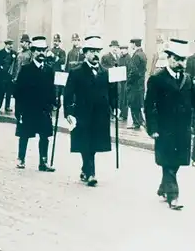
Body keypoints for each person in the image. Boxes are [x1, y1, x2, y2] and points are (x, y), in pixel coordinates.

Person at [144, 38, 195, 210]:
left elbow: (192, 101)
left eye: (182, 60)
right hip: (164, 128)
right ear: (168, 58)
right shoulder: (157, 79)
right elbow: (149, 106)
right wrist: (152, 128)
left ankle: (163, 188)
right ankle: (173, 195)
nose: (179, 63)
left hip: (183, 129)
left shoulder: (188, 79)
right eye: (176, 59)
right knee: (167, 161)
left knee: (176, 162)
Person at [64, 36, 117, 187]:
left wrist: (115, 106)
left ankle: (85, 168)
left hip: (100, 114)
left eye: (97, 51)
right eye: (92, 51)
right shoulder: (77, 72)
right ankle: (91, 173)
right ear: (85, 53)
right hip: (82, 113)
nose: (95, 55)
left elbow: (112, 92)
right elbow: (68, 93)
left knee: (93, 143)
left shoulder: (105, 72)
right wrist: (68, 111)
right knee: (85, 143)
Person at [13, 36, 57, 172]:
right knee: (24, 134)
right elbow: (18, 92)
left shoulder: (49, 70)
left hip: (44, 110)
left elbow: (51, 89)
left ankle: (43, 162)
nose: (41, 53)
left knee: (45, 136)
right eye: (38, 50)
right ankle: (21, 159)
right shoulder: (26, 69)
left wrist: (54, 102)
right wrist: (18, 110)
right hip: (28, 109)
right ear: (33, 52)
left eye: (43, 50)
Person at [126, 38, 147, 130]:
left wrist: (129, 80)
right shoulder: (143, 54)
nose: (130, 45)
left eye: (131, 43)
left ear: (134, 44)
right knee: (138, 104)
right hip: (140, 84)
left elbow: (133, 71)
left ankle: (136, 123)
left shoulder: (136, 55)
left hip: (134, 84)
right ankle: (140, 121)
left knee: (133, 104)